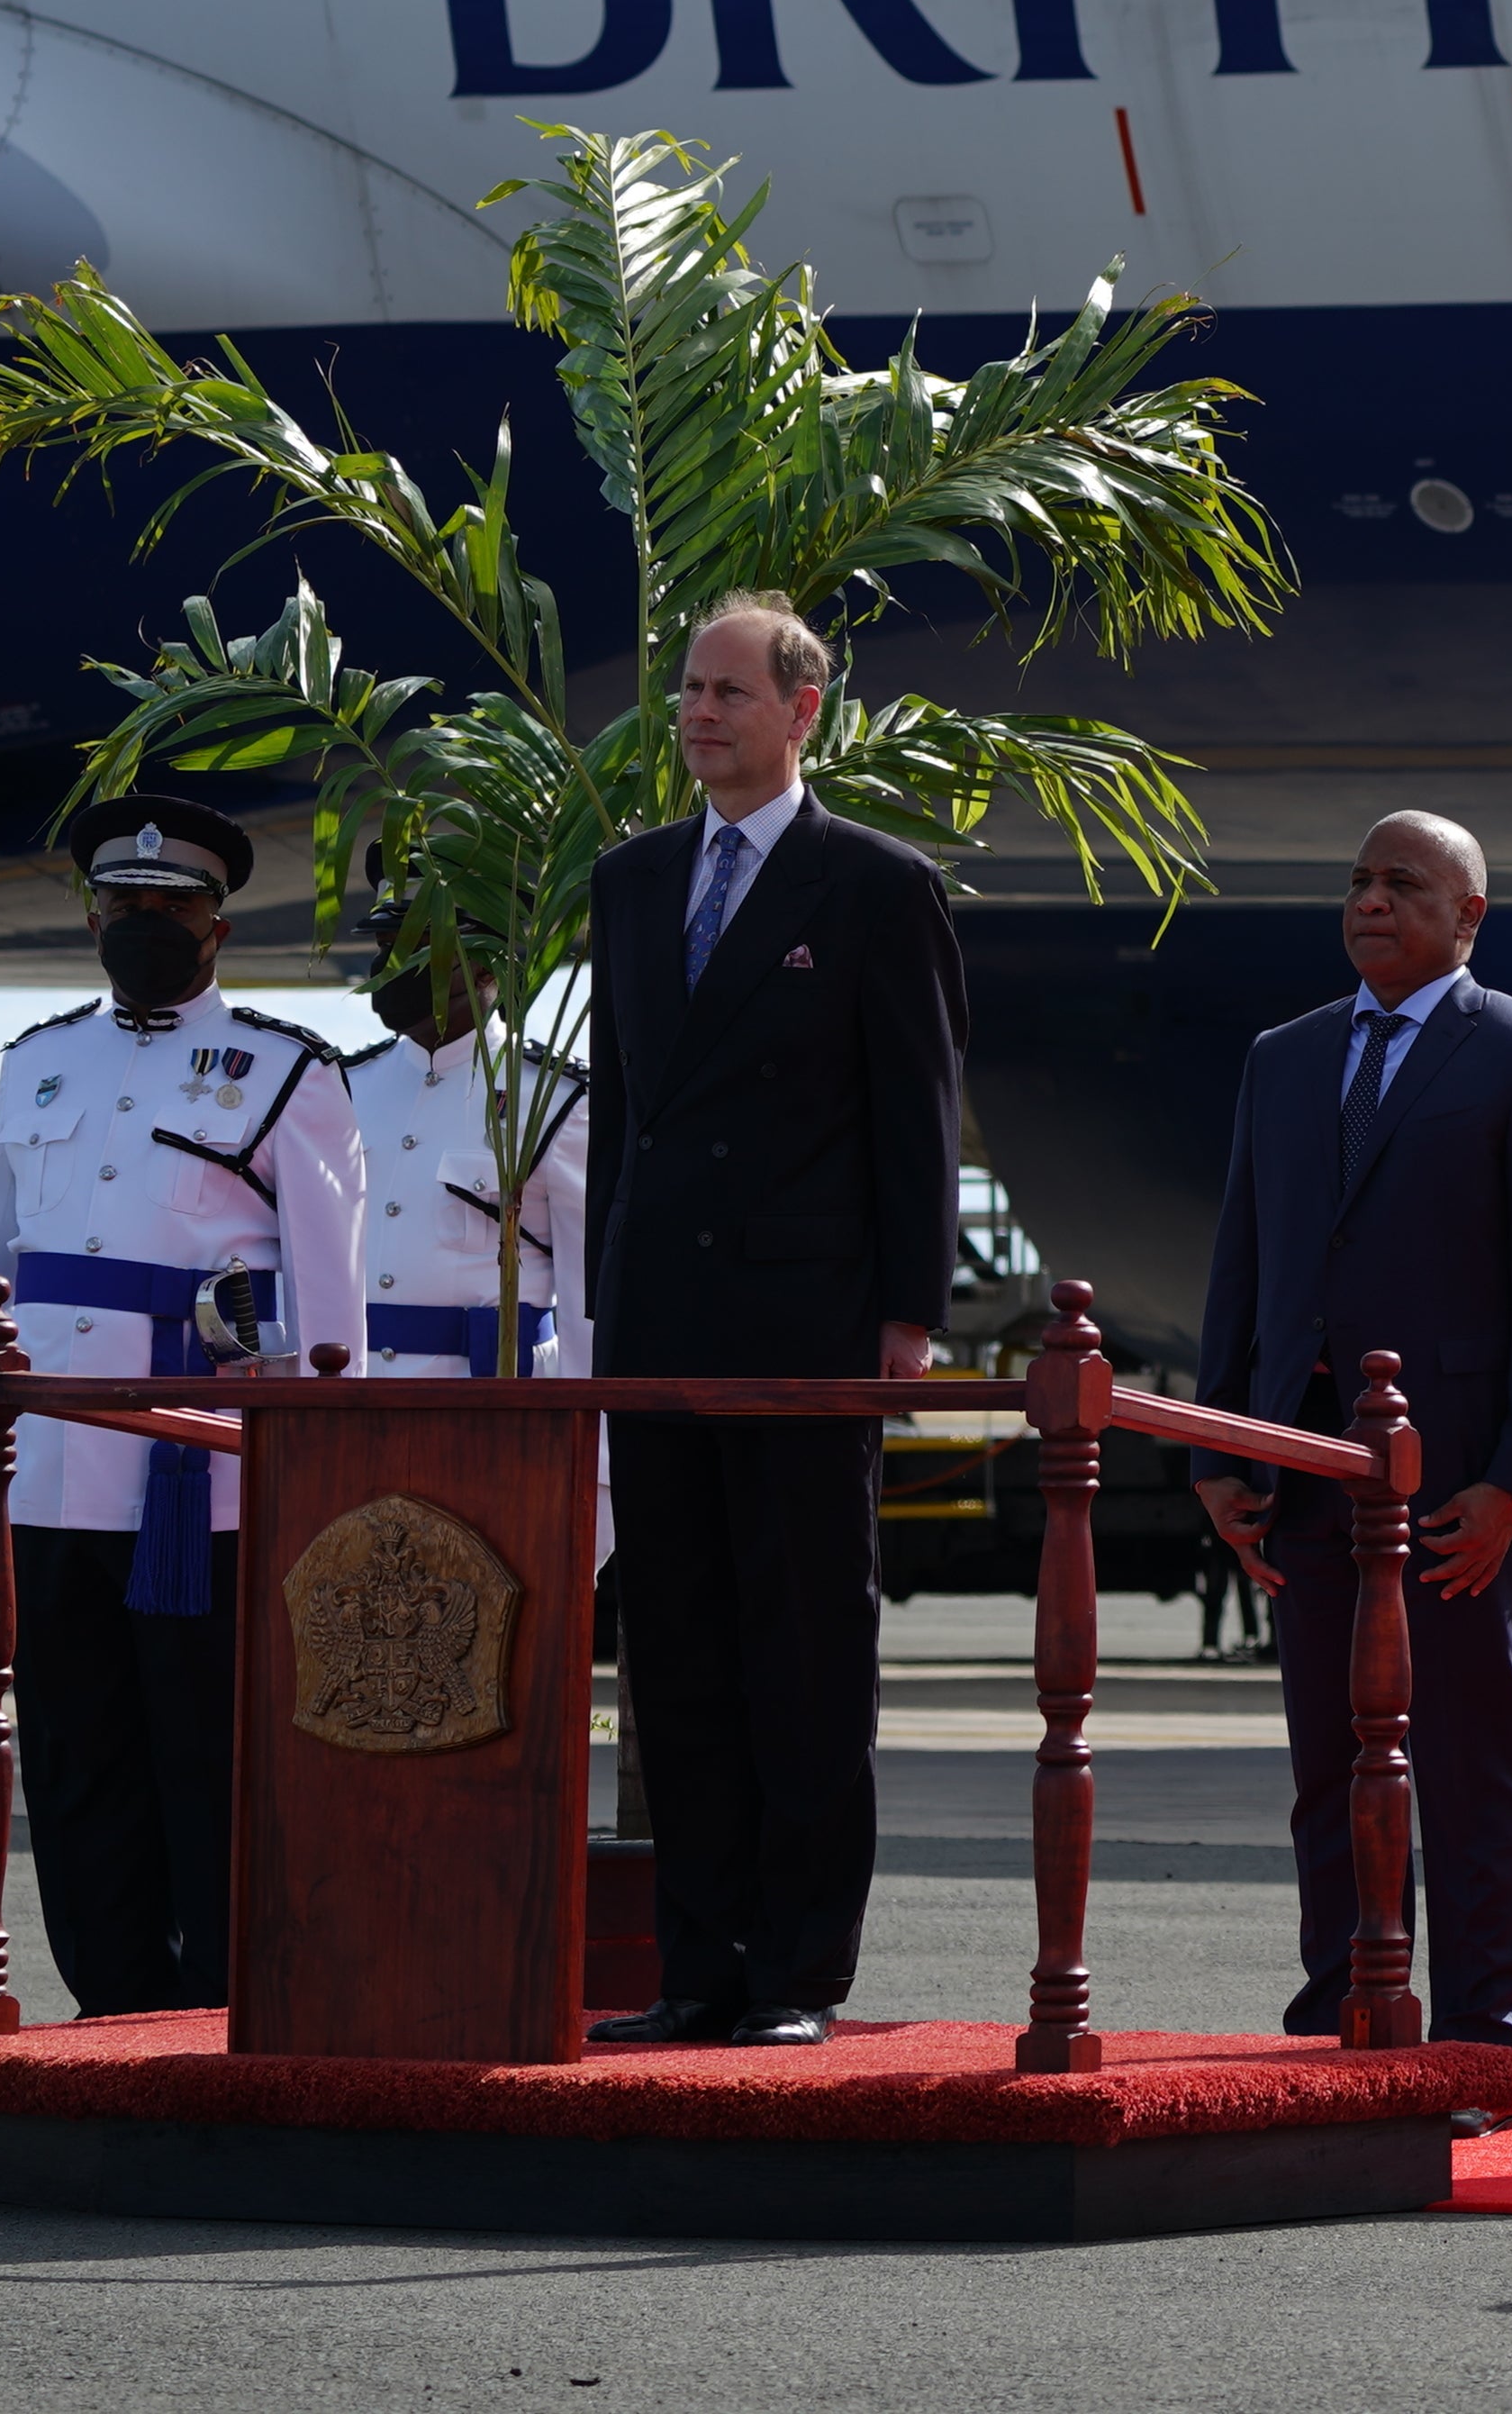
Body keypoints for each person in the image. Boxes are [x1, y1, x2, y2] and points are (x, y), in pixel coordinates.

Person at [582, 594, 965, 2050]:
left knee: (802, 1648)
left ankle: (797, 1971)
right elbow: (625, 1118)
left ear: (803, 710)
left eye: (729, 692)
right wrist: (607, 1304)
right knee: (675, 1648)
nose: (697, 713)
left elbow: (914, 1113)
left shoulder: (869, 884)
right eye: (688, 689)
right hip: (663, 1322)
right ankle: (698, 1965)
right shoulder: (632, 884)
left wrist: (907, 1315)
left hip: (805, 1321)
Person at [1192, 811, 1512, 2073]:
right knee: (1331, 1762)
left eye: (1405, 884)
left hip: (1456, 1488)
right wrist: (1222, 1450)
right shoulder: (1285, 1058)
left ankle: (1483, 2037)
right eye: (1360, 882)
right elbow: (1243, 1267)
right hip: (1306, 1472)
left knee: (1469, 1764)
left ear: (1469, 915)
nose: (1372, 901)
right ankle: (1346, 2015)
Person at [0, 794, 362, 2013]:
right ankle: (111, 2004)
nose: (146, 924)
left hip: (205, 1479)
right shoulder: (36, 1064)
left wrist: (320, 1476)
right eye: (126, 906)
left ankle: (219, 2000)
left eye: (172, 907)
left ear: (218, 928)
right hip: (49, 1466)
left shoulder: (293, 1074)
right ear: (91, 917)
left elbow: (335, 1315)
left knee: (208, 1752)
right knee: (74, 1754)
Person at [343, 909, 590, 1390]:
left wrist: (593, 1454)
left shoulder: (555, 1098)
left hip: (490, 1399)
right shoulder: (345, 1088)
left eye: (417, 947)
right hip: (353, 1399)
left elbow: (589, 1304)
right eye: (385, 947)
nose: (392, 966)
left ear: (483, 966)